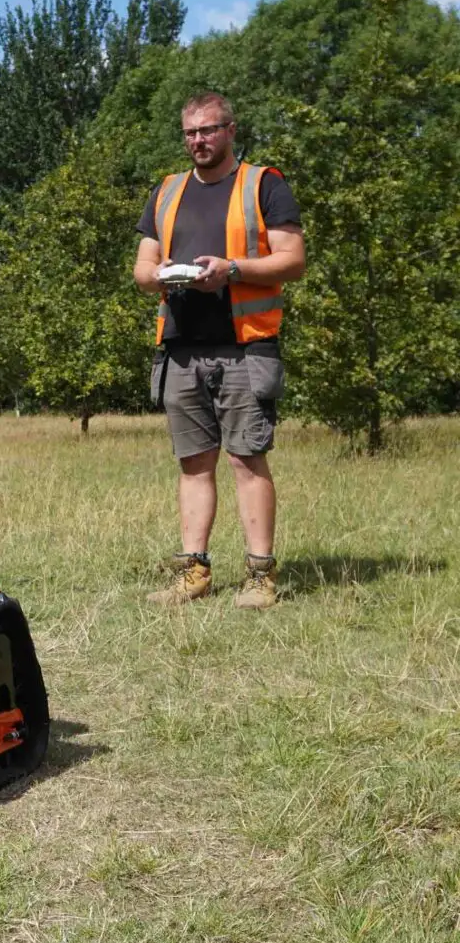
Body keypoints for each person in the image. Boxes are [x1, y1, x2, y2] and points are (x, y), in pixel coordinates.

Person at [133, 92, 305, 609]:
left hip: (245, 347)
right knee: (193, 464)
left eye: (208, 130)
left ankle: (260, 575)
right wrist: (163, 275)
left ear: (231, 130)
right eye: (190, 132)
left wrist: (232, 269)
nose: (198, 140)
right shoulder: (166, 191)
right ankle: (194, 572)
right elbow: (142, 270)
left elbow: (293, 260)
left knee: (247, 460)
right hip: (181, 349)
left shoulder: (263, 184)